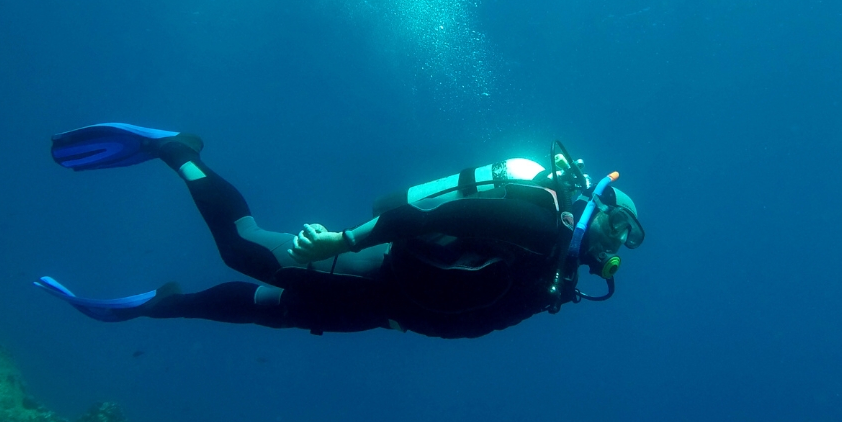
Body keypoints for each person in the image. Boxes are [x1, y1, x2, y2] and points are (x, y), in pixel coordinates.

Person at [35, 124, 644, 339]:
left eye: (622, 241)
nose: (613, 248)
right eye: (618, 228)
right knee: (241, 247)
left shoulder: (555, 276)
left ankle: (155, 305)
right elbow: (436, 216)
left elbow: (480, 310)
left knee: (262, 310)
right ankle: (173, 149)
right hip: (369, 268)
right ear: (599, 204)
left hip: (386, 308)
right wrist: (345, 241)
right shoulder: (538, 220)